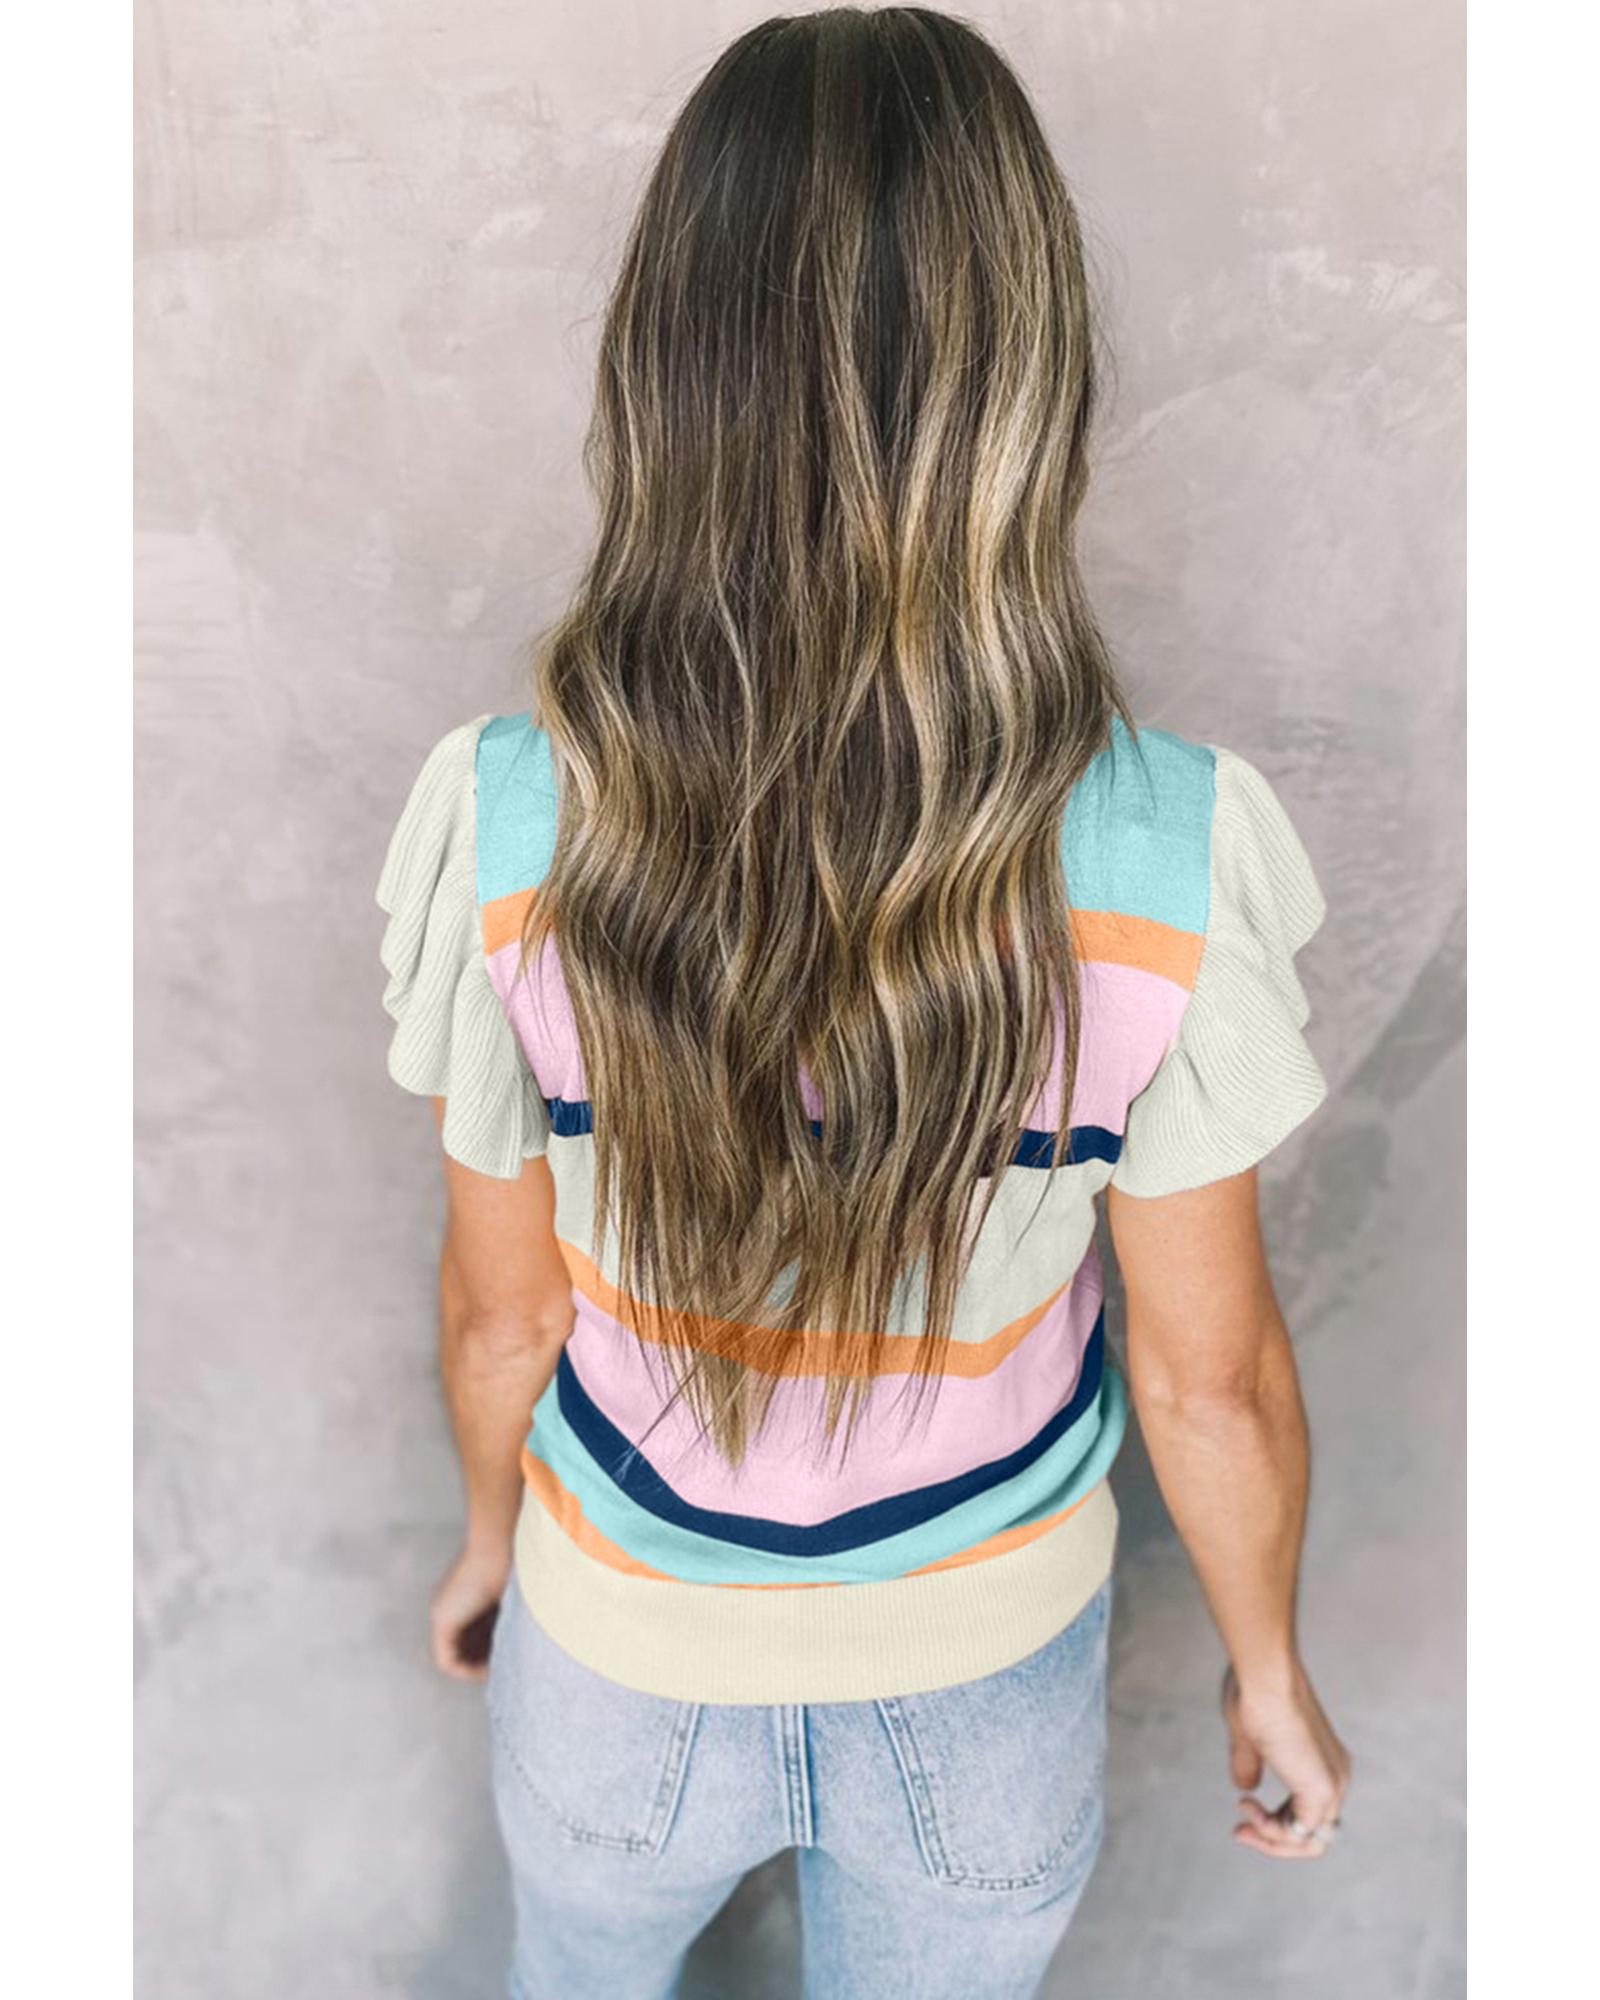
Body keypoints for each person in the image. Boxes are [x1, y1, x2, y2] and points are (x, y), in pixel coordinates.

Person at [374, 9, 1351, 1997]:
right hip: (984, 1689)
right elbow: (1210, 1382)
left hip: (614, 1659)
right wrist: (1268, 1662)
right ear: (1027, 378)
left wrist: (488, 1543)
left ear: (666, 363)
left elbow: (501, 1314)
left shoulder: (503, 820)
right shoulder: (1168, 851)